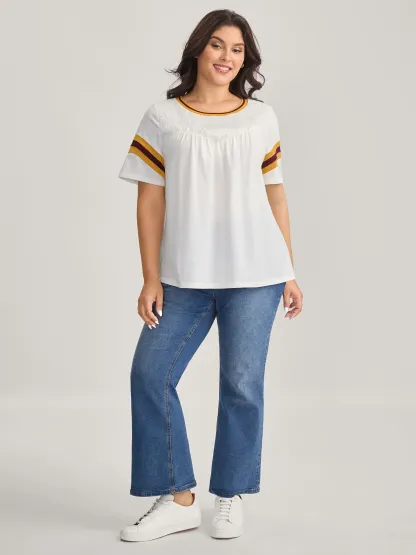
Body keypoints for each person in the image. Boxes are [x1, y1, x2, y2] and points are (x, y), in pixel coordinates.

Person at [117, 9, 303, 542]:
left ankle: (230, 495)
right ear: (199, 49)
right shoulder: (163, 116)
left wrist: (289, 270)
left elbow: (276, 194)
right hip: (184, 277)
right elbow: (149, 201)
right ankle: (177, 498)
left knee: (242, 385)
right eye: (218, 45)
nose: (227, 57)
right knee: (150, 375)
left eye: (237, 50)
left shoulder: (260, 118)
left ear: (246, 60)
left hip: (257, 274)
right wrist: (150, 277)